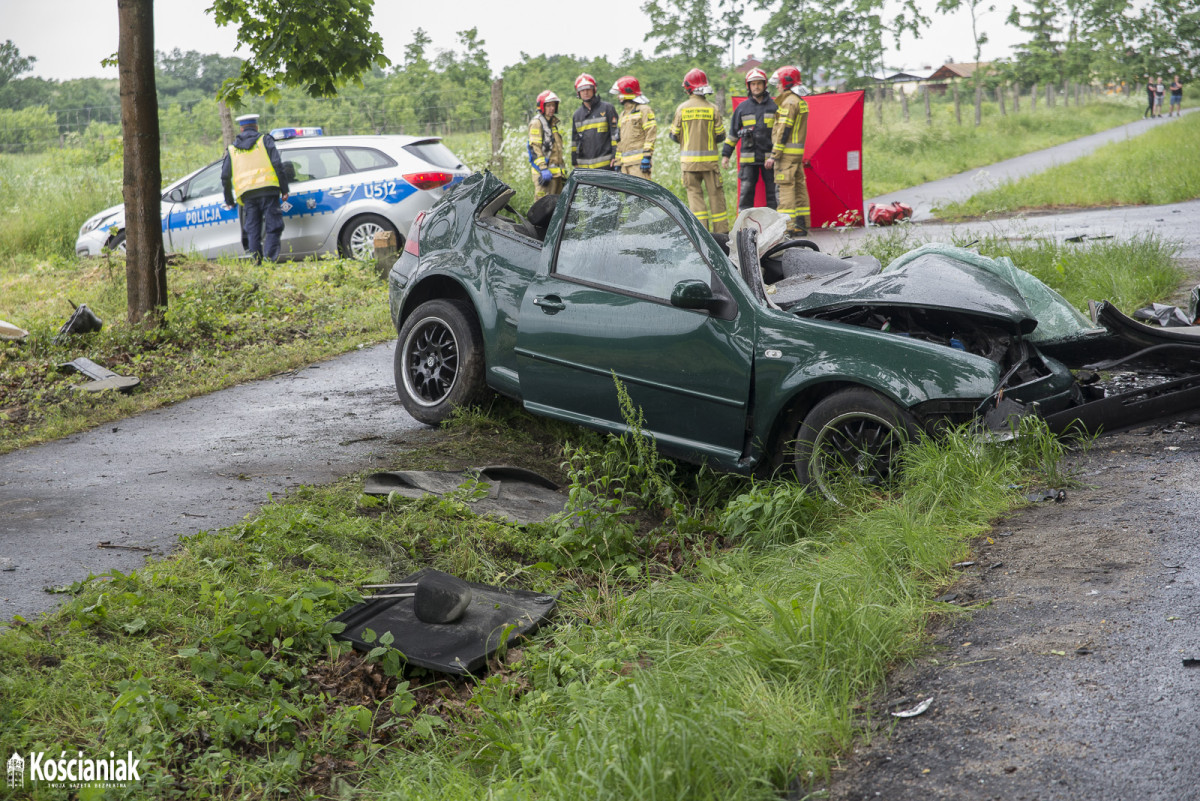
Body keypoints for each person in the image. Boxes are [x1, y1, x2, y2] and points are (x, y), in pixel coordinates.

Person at [221, 114, 289, 263]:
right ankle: (270, 261)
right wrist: (284, 189)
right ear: (256, 126)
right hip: (268, 191)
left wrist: (229, 200)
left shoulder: (232, 149)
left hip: (247, 195)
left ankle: (256, 261)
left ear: (241, 128)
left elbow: (225, 176)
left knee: (253, 229)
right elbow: (278, 165)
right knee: (274, 226)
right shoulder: (264, 140)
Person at [670, 68, 729, 234]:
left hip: (689, 166)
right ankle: (721, 234)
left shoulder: (682, 109)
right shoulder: (713, 109)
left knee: (695, 199)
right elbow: (720, 135)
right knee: (716, 198)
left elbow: (673, 135)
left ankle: (702, 234)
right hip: (710, 164)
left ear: (688, 87)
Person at [721, 67, 778, 213]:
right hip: (748, 161)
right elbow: (733, 134)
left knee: (774, 195)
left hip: (769, 159)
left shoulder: (774, 107)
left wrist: (775, 155)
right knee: (746, 194)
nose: (756, 86)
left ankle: (775, 225)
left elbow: (780, 133)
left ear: (765, 85)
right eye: (753, 84)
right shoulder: (742, 108)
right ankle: (744, 225)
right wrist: (726, 155)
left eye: (759, 83)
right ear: (749, 86)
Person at [767, 66, 810, 236]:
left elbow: (783, 130)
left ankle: (787, 227)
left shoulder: (788, 102)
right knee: (799, 188)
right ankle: (802, 224)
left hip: (785, 155)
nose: (777, 86)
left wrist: (774, 155)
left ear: (786, 82)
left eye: (778, 83)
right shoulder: (799, 100)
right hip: (796, 155)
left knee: (785, 189)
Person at [570, 73, 620, 171]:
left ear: (594, 90)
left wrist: (615, 156)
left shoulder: (607, 108)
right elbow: (574, 140)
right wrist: (574, 161)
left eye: (588, 89)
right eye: (582, 90)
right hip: (585, 168)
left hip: (607, 166)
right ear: (578, 93)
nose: (585, 92)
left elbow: (615, 135)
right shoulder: (577, 115)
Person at [611, 75, 657, 178]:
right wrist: (618, 163)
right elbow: (619, 141)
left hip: (639, 165)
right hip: (624, 166)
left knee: (642, 194)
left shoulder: (644, 110)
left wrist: (647, 156)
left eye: (620, 93)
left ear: (627, 92)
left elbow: (651, 134)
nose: (618, 96)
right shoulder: (623, 115)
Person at [528, 90, 567, 199]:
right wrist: (543, 169)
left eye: (553, 105)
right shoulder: (537, 123)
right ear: (542, 106)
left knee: (557, 208)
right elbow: (534, 148)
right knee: (543, 208)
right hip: (544, 175)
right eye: (549, 105)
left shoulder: (552, 123)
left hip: (556, 175)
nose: (552, 108)